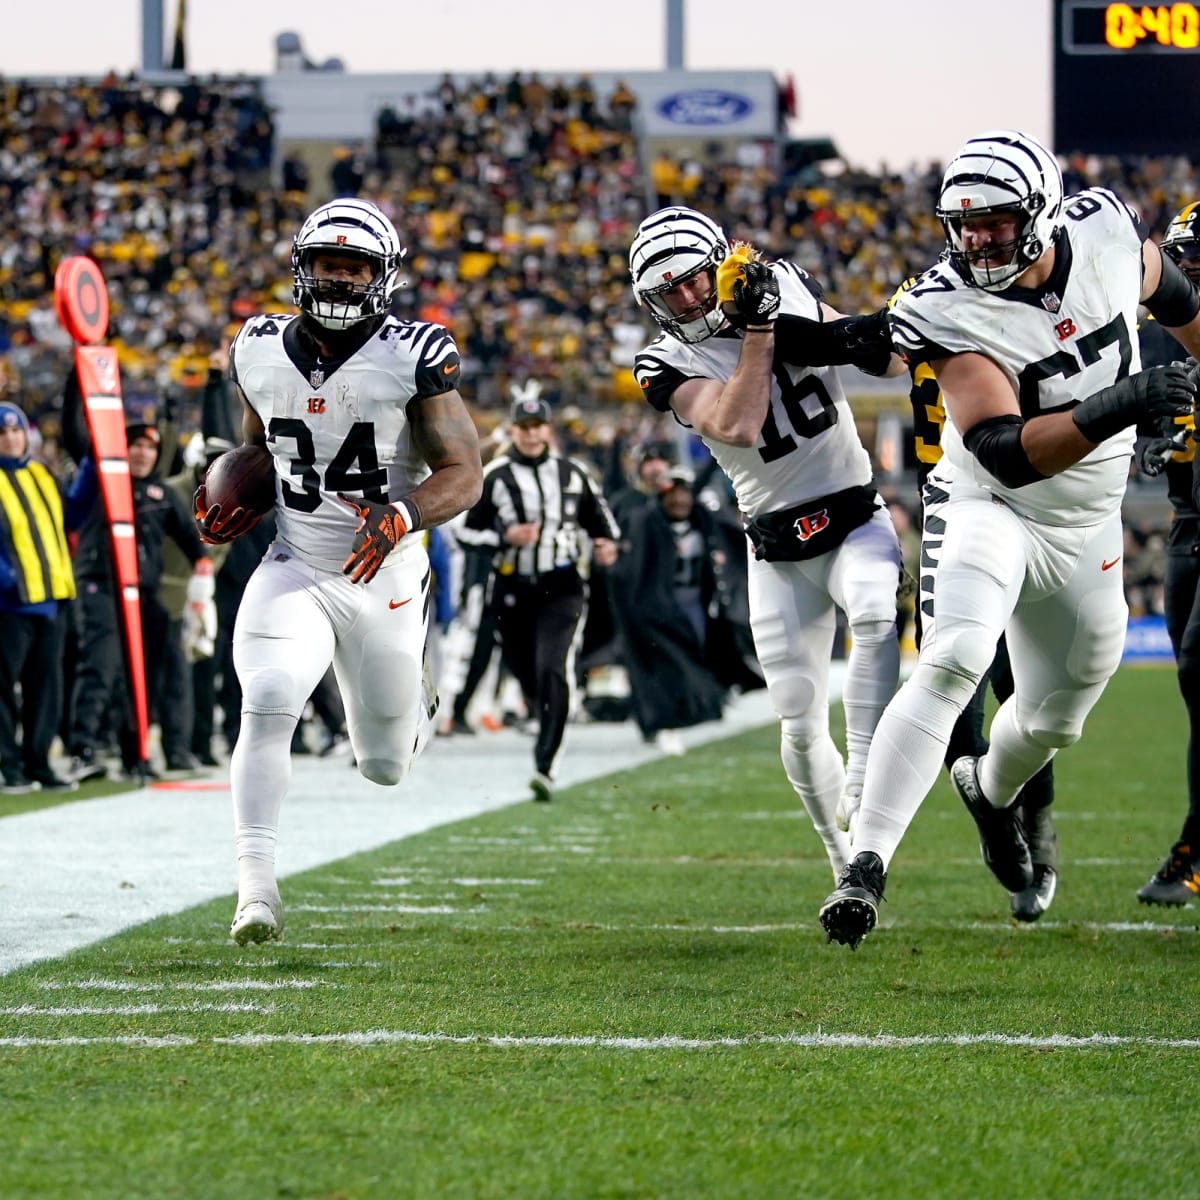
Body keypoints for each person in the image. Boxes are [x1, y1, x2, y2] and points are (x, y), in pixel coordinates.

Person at [820, 130, 1200, 949]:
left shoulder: (1103, 229)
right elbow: (1004, 451)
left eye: (998, 221)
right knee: (955, 654)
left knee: (1060, 717)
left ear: (1046, 213)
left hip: (1090, 521)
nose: (980, 239)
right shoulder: (946, 303)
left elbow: (1181, 304)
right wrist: (1128, 400)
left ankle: (989, 792)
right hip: (991, 501)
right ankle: (865, 867)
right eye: (966, 224)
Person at [194, 197, 483, 945]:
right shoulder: (255, 346)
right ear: (304, 266)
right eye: (331, 263)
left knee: (384, 764)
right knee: (269, 695)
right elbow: (258, 445)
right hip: (297, 564)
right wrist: (236, 492)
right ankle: (255, 889)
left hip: (385, 573)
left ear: (380, 276)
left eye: (356, 267)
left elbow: (465, 472)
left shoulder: (414, 354)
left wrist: (404, 512)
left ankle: (415, 691)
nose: (343, 277)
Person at [629, 206, 903, 880]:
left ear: (718, 266)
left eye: (695, 280)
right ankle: (841, 862)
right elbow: (739, 423)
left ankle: (866, 784)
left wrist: (870, 333)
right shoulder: (661, 360)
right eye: (671, 292)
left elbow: (885, 359)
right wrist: (759, 328)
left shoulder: (782, 281)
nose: (688, 298)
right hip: (776, 545)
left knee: (873, 610)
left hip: (853, 511)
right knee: (797, 715)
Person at [457, 388, 619, 801]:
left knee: (553, 667)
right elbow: (465, 531)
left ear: (547, 429)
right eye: (523, 427)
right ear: (512, 430)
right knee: (525, 670)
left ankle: (547, 763)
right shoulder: (495, 475)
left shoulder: (572, 473)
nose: (530, 434)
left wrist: (605, 543)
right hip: (511, 588)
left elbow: (601, 521)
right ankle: (539, 709)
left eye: (537, 426)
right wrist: (503, 536)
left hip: (562, 586)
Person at [66, 419, 212, 784]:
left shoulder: (161, 494)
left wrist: (202, 589)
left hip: (144, 594)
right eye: (136, 445)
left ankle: (136, 753)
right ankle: (83, 750)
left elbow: (197, 546)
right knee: (101, 666)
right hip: (103, 585)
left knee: (143, 673)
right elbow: (77, 440)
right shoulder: (103, 485)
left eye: (150, 447)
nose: (143, 453)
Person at [1131, 200, 1200, 905]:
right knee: (1195, 690)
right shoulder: (1168, 339)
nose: (1186, 272)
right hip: (1187, 523)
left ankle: (1193, 845)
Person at [610, 466, 728, 752]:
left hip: (693, 604)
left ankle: (692, 709)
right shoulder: (647, 524)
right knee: (668, 663)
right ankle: (667, 720)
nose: (679, 502)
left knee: (694, 658)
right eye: (672, 496)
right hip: (658, 606)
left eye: (684, 495)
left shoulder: (703, 523)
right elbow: (629, 572)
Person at [0, 403, 83, 794]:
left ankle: (38, 762)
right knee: (4, 690)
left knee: (45, 688)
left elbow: (71, 516)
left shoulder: (40, 472)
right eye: (4, 432)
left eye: (16, 431)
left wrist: (96, 472)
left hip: (52, 599)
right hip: (10, 604)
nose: (12, 438)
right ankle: (9, 766)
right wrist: (9, 579)